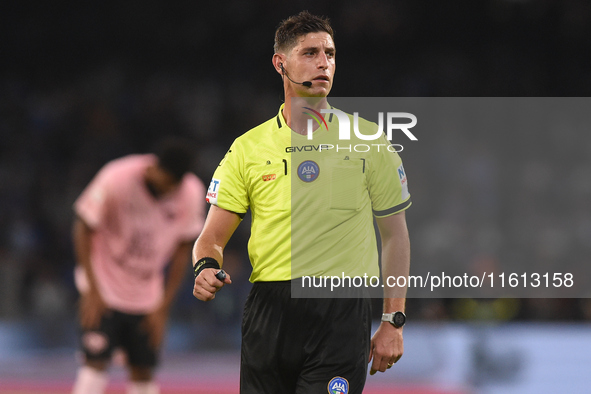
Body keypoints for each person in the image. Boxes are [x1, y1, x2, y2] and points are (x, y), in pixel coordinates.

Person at [192, 10, 411, 394]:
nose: (324, 62)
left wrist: (393, 319)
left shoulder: (370, 141)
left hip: (340, 310)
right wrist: (205, 267)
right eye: (310, 53)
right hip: (268, 310)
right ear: (281, 63)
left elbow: (395, 236)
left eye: (329, 53)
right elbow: (210, 238)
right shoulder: (248, 149)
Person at [71, 139, 206, 394]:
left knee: (143, 369)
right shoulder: (116, 177)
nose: (165, 192)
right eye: (162, 185)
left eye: (171, 188)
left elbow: (182, 250)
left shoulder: (191, 193)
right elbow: (83, 226)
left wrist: (163, 307)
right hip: (104, 287)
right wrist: (93, 290)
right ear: (154, 168)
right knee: (94, 363)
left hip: (146, 295)